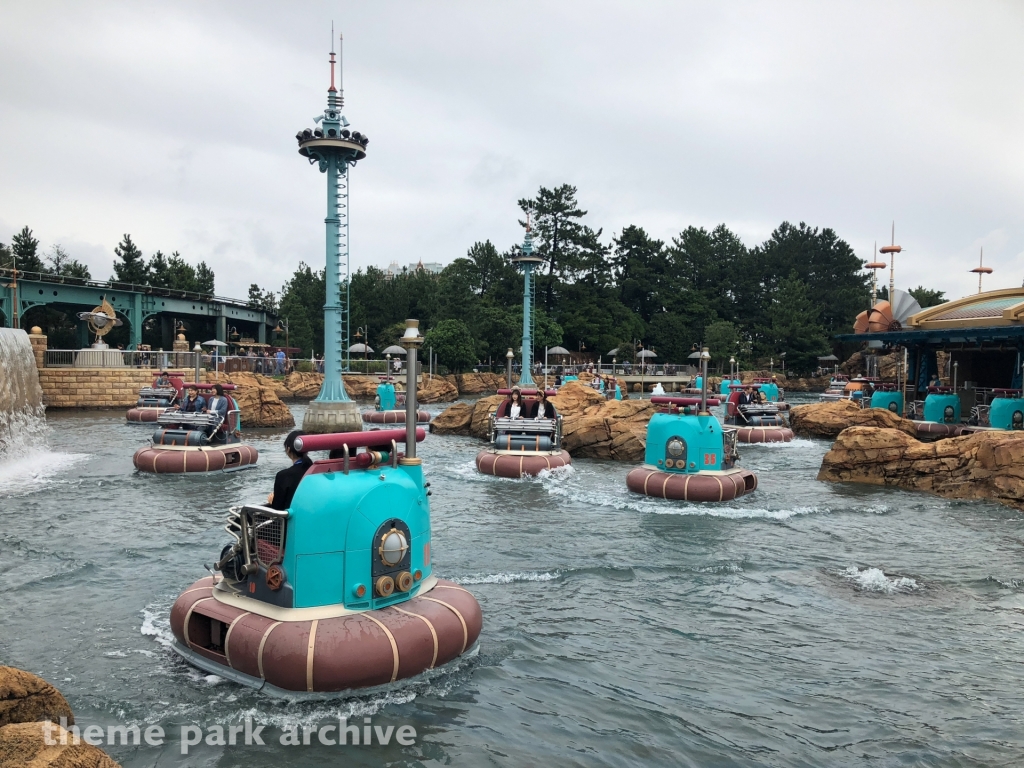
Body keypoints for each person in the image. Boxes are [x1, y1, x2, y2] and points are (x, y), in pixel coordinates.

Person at [267, 430, 313, 511]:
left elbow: (278, 509)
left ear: (288, 449)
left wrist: (272, 502)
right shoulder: (315, 470)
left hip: (290, 521)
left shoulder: (283, 476)